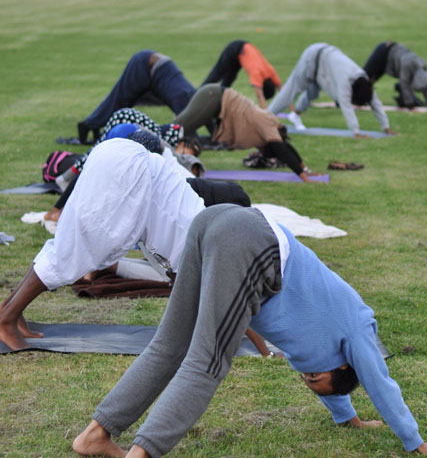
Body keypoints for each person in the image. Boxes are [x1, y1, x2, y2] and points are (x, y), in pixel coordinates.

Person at [73, 203, 427, 458]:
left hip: (215, 222)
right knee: (207, 362)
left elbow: (330, 381)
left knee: (169, 345)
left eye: (307, 381)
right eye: (314, 377)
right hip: (250, 240)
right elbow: (378, 382)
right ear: (342, 365)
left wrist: (347, 417)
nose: (306, 375)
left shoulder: (316, 352)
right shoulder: (357, 331)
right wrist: (413, 441)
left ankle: (95, 434)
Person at [0, 137, 248, 352]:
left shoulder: (198, 222)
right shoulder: (205, 244)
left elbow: (189, 292)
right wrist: (267, 351)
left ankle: (11, 309)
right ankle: (7, 318)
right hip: (127, 171)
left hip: (122, 156)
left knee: (67, 248)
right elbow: (229, 302)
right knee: (73, 253)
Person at [173, 84, 320, 181]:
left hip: (216, 100)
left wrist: (305, 169)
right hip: (213, 98)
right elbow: (283, 151)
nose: (260, 150)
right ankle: (153, 146)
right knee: (176, 129)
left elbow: (286, 147)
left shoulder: (271, 125)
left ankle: (167, 155)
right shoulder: (269, 127)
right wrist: (304, 177)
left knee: (179, 131)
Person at [267, 43, 394, 138]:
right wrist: (356, 132)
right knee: (290, 92)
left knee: (313, 93)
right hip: (312, 57)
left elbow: (375, 103)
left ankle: (295, 115)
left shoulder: (364, 80)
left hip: (322, 67)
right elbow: (346, 106)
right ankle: (265, 117)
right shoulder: (344, 81)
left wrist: (386, 127)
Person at [77, 51, 196, 143]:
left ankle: (92, 125)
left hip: (151, 65)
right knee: (120, 100)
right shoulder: (184, 99)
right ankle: (88, 125)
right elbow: (187, 129)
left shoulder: (192, 96)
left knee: (120, 100)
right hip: (144, 64)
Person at [201, 40, 282, 109]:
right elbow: (260, 96)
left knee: (228, 82)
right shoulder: (256, 73)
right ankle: (196, 96)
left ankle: (219, 105)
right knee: (215, 76)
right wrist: (267, 115)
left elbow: (283, 92)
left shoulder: (270, 71)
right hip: (234, 49)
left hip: (241, 53)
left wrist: (293, 110)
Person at [363, 42, 427, 109]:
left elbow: (426, 86)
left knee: (370, 79)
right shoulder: (407, 65)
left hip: (392, 55)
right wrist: (409, 104)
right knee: (365, 78)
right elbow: (404, 83)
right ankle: (356, 98)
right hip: (384, 51)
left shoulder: (422, 69)